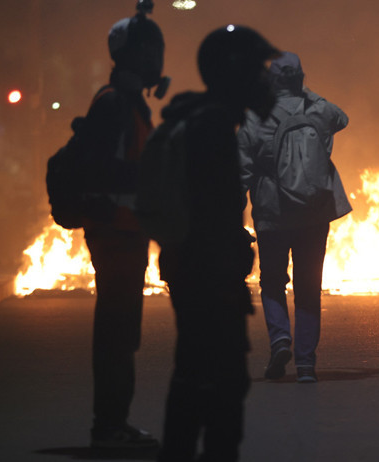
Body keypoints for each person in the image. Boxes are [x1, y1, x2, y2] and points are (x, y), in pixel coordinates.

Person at [152, 25, 279, 462]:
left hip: (196, 271)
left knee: (193, 376)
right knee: (219, 387)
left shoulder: (205, 120)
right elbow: (212, 213)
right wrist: (227, 274)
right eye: (257, 70)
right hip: (208, 279)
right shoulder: (211, 130)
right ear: (233, 73)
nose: (264, 79)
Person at [80, 2, 168, 449]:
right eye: (147, 51)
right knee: (116, 333)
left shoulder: (130, 103)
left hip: (128, 232)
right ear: (128, 55)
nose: (155, 59)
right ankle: (108, 426)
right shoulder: (114, 104)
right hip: (115, 232)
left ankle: (116, 421)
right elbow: (102, 169)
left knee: (123, 333)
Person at [237, 51, 351, 383]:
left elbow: (241, 171)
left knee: (272, 281)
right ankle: (305, 364)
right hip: (314, 214)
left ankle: (280, 339)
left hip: (272, 213)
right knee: (308, 287)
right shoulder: (318, 110)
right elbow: (342, 118)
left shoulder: (255, 118)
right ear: (300, 78)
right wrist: (306, 93)